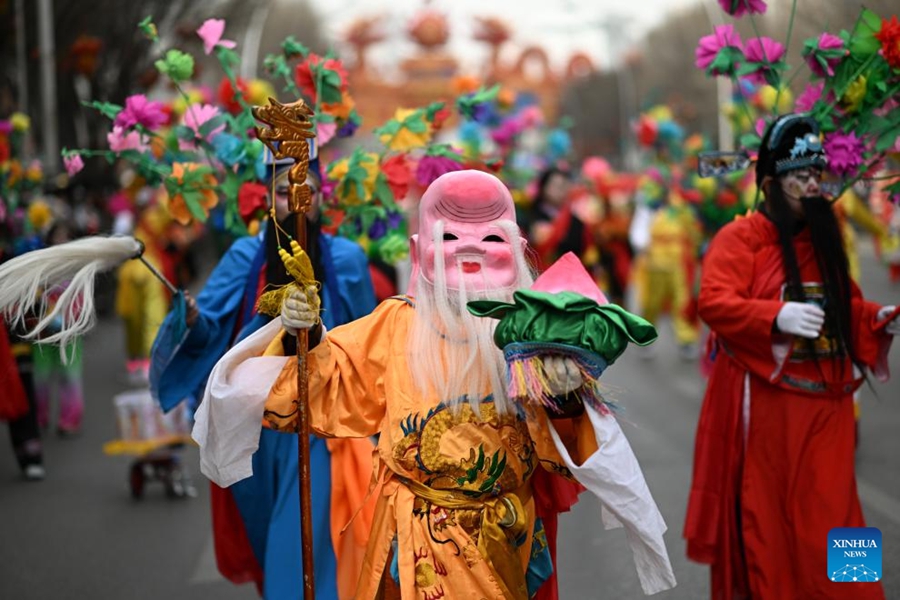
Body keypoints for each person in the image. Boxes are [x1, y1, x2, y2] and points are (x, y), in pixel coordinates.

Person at [198, 170, 677, 598]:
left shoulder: (535, 333)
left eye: (490, 238)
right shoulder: (396, 325)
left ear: (515, 246)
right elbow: (328, 380)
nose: (469, 250)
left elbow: (570, 448)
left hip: (507, 537)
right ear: (417, 251)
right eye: (449, 237)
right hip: (414, 546)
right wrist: (305, 335)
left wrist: (566, 393)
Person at [684, 114, 899, 600]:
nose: (811, 186)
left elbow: (844, 304)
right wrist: (775, 317)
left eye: (816, 175)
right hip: (768, 408)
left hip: (830, 407)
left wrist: (875, 318)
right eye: (798, 177)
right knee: (773, 520)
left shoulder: (826, 237)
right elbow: (714, 302)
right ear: (769, 184)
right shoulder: (739, 240)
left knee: (841, 511)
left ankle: (859, 595)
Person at [150, 158, 378, 599]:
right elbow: (212, 326)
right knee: (262, 531)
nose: (296, 201)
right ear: (266, 200)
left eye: (307, 190)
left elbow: (370, 340)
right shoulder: (242, 255)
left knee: (302, 537)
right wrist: (194, 319)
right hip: (255, 421)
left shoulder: (348, 258)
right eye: (282, 191)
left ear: (323, 199)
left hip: (322, 420)